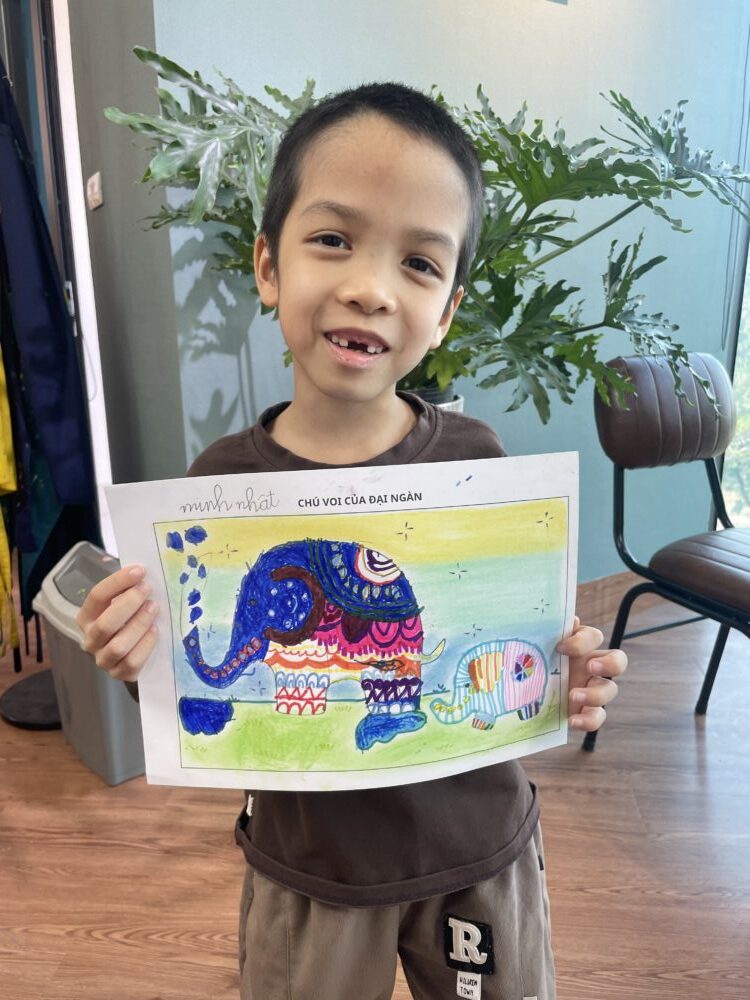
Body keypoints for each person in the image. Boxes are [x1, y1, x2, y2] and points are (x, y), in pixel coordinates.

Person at [77, 82, 627, 1000]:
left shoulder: (478, 463)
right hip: (310, 870)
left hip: (479, 853)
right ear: (268, 265)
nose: (371, 289)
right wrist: (134, 651)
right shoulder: (218, 487)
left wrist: (567, 670)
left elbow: (513, 645)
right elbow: (198, 679)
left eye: (418, 263)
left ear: (446, 311)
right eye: (333, 239)